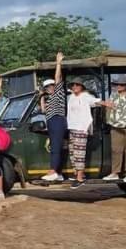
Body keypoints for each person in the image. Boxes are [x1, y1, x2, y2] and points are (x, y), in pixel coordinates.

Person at [66, 78, 111, 187]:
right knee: (73, 153)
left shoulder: (86, 96)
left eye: (77, 85)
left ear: (82, 87)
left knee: (79, 153)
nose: (75, 86)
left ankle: (80, 178)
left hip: (82, 127)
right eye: (73, 85)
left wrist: (107, 104)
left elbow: (96, 101)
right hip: (72, 127)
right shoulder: (71, 97)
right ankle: (77, 174)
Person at [39, 51, 67, 182]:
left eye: (50, 86)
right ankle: (59, 173)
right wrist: (41, 97)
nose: (48, 88)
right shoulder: (49, 98)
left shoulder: (59, 91)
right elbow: (44, 110)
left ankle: (53, 171)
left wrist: (58, 63)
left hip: (57, 120)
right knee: (55, 146)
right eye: (46, 87)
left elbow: (57, 78)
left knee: (55, 147)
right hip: (51, 121)